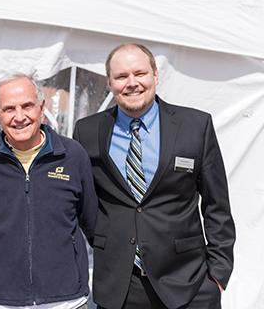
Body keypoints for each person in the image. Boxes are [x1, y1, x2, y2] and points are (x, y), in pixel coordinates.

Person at [73, 43, 235, 309]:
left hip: (189, 285)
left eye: (140, 73)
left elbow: (217, 205)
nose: (132, 83)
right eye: (122, 76)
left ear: (156, 75)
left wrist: (217, 274)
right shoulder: (87, 131)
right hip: (119, 288)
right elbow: (84, 204)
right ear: (109, 82)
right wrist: (106, 241)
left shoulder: (195, 126)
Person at [0, 72, 97, 309]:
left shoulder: (73, 156)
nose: (19, 117)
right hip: (1, 302)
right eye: (9, 109)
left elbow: (94, 224)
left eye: (27, 106)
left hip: (66, 301)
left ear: (42, 108)